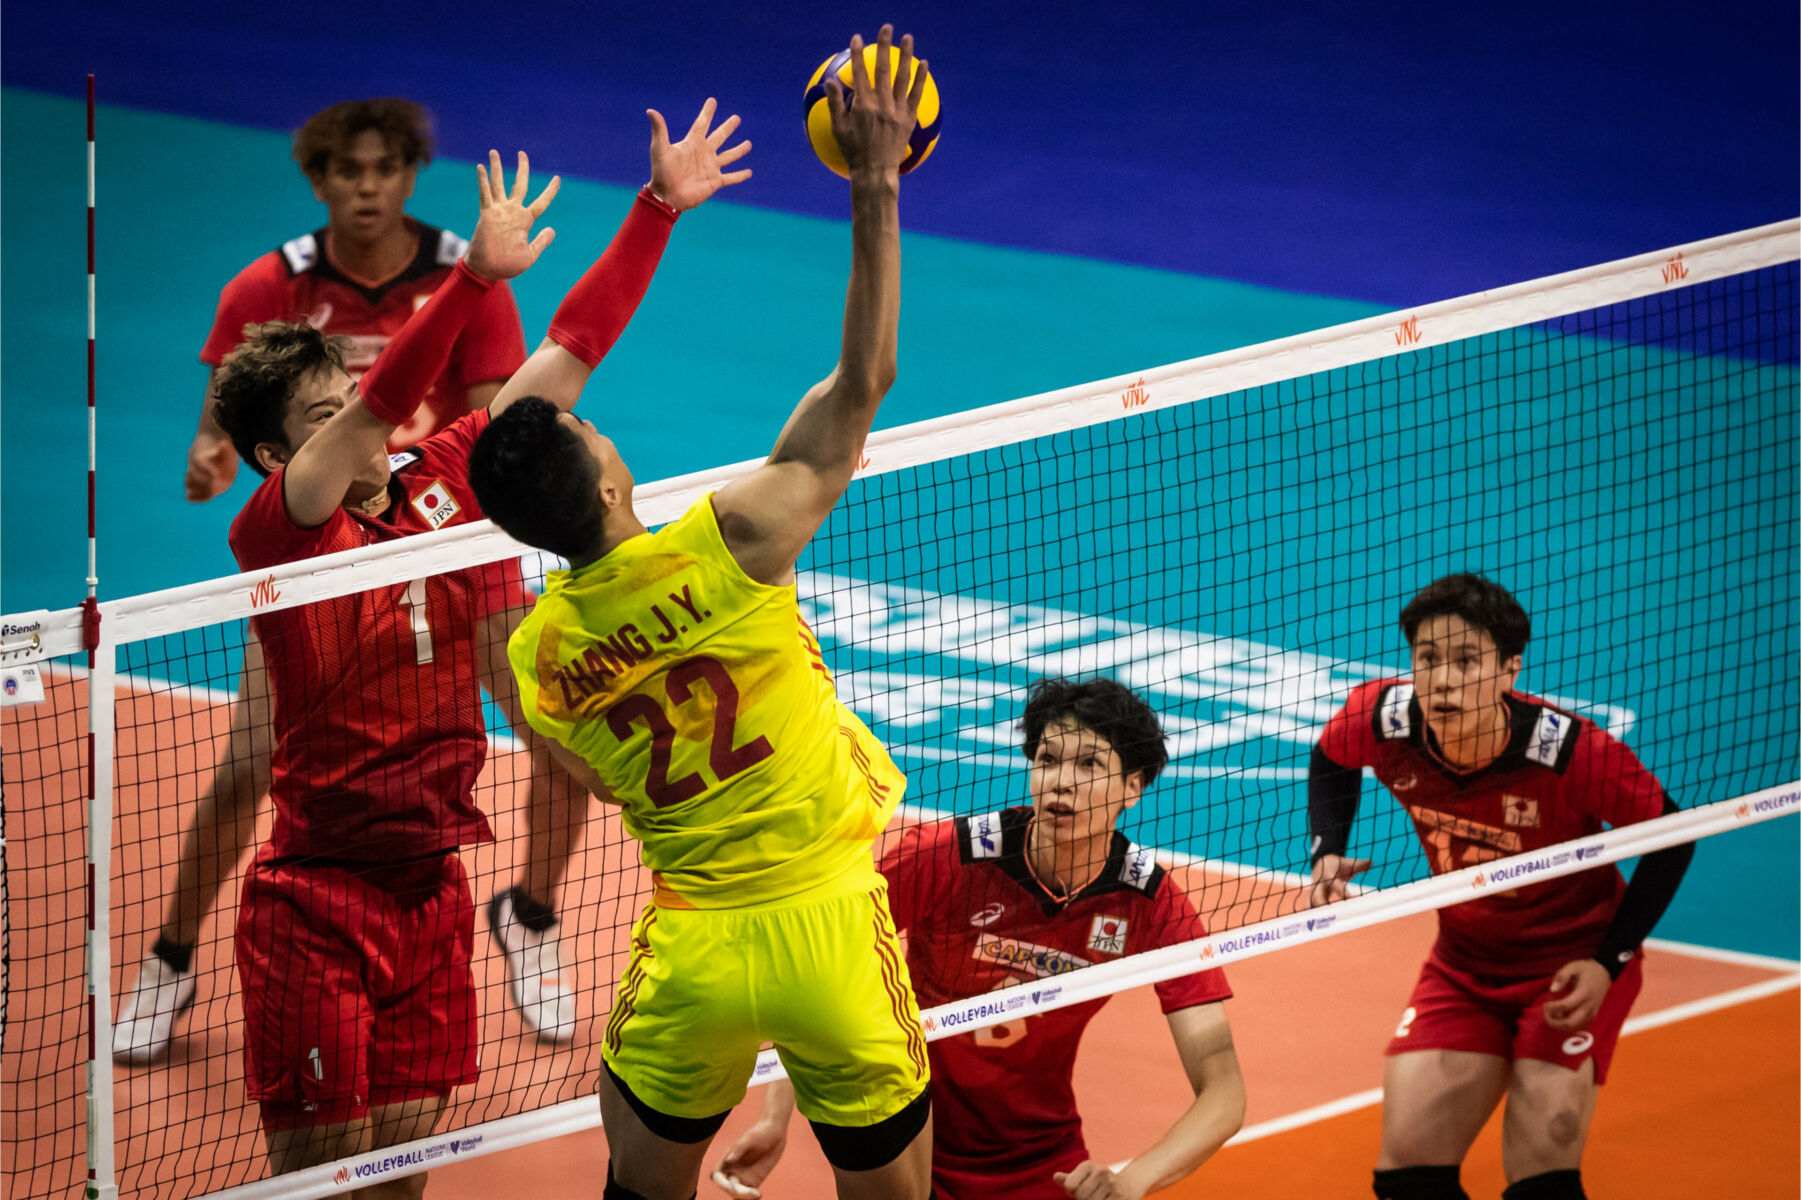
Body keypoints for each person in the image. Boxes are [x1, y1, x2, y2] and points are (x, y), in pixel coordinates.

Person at [206, 104, 749, 1193]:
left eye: (346, 405)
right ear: (273, 456)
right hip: (315, 898)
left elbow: (571, 353)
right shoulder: (279, 529)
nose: (363, 428)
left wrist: (656, 210)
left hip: (433, 891)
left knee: (403, 1175)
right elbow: (382, 403)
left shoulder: (447, 479)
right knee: (318, 1179)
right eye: (323, 420)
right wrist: (470, 283)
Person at [466, 27, 932, 1200]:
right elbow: (863, 383)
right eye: (589, 428)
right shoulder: (734, 540)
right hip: (830, 926)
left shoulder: (538, 653)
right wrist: (874, 184)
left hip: (696, 947)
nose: (593, 421)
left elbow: (596, 777)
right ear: (606, 483)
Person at [115, 99, 582, 1061]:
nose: (367, 188)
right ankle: (168, 957)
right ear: (319, 181)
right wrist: (210, 450)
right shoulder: (270, 286)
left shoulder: (468, 274)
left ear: (409, 175)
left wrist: (449, 500)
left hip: (443, 534)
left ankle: (530, 916)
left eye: (384, 169)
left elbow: (496, 421)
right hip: (321, 563)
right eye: (348, 171)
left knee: (563, 741)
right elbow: (231, 408)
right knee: (246, 768)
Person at [711, 678, 1246, 1200]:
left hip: (1041, 1156)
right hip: (905, 1133)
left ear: (1133, 786)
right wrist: (775, 1118)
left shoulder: (1149, 901)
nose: (1062, 782)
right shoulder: (943, 857)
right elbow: (822, 976)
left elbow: (1223, 1090)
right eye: (1048, 759)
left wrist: (1131, 1180)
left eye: (1090, 765)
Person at [1305, 573, 1694, 1200]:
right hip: (1464, 964)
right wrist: (1327, 849)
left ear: (1509, 670)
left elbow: (1673, 837)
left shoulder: (1572, 753)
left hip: (1572, 963)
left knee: (1542, 1165)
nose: (1443, 679)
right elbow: (1330, 757)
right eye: (1427, 658)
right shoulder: (1380, 719)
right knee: (1406, 1177)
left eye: (1467, 661)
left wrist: (1608, 963)